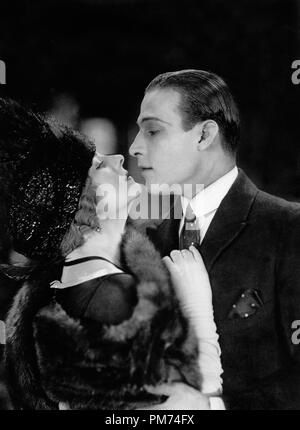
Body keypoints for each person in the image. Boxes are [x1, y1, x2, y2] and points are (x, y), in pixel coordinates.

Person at [0, 97, 222, 410]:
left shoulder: (63, 288)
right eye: (100, 165)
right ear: (81, 203)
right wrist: (198, 311)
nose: (119, 158)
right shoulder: (119, 298)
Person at [129, 69, 300, 410]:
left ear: (205, 134)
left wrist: (209, 406)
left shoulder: (287, 229)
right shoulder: (141, 238)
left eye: (152, 131)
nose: (135, 147)